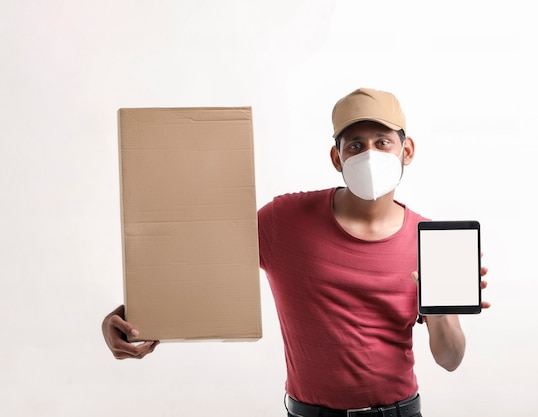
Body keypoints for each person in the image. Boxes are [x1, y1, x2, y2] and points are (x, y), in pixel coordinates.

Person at [101, 87, 490, 416]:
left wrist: (439, 308)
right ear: (337, 158)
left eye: (383, 142)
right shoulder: (283, 221)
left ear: (406, 151)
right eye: (355, 145)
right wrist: (131, 316)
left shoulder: (432, 241)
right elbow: (202, 259)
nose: (369, 154)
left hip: (397, 411)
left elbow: (450, 359)